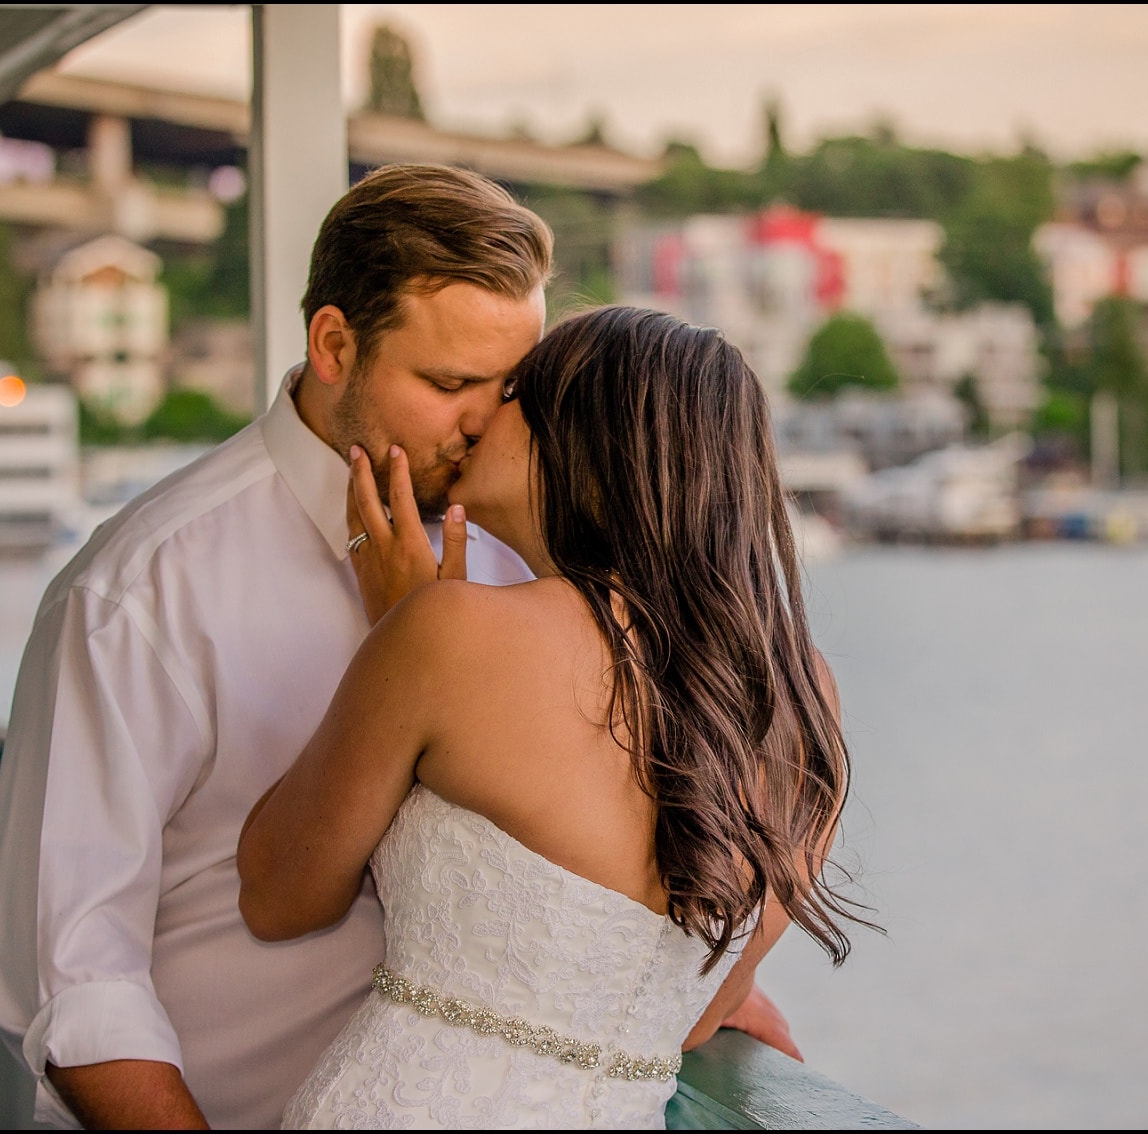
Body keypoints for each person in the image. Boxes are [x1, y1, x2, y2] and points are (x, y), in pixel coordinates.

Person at [0, 164, 786, 1131]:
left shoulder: (526, 553)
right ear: (332, 344)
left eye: (510, 386)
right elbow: (77, 976)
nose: (482, 421)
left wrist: (664, 977)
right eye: (448, 383)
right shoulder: (139, 591)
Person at [238, 306, 864, 1128]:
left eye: (511, 392)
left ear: (575, 440)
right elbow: (701, 1011)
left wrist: (398, 631)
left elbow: (280, 896)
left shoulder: (450, 633)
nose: (477, 415)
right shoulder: (800, 692)